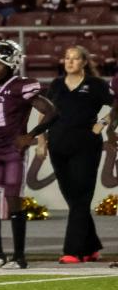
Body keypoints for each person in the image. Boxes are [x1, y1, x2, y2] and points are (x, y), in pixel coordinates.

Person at [0, 40, 58, 270]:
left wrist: (31, 135)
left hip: (13, 151)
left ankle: (19, 257)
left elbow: (51, 111)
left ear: (11, 64)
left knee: (13, 200)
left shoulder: (22, 86)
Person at [45, 46, 113, 263]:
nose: (70, 62)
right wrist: (41, 141)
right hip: (57, 146)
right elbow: (46, 113)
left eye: (75, 58)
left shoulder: (96, 84)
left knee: (81, 196)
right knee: (74, 199)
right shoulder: (56, 85)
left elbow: (114, 106)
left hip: (85, 146)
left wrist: (102, 123)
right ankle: (91, 246)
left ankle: (73, 251)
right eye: (67, 58)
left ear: (84, 62)